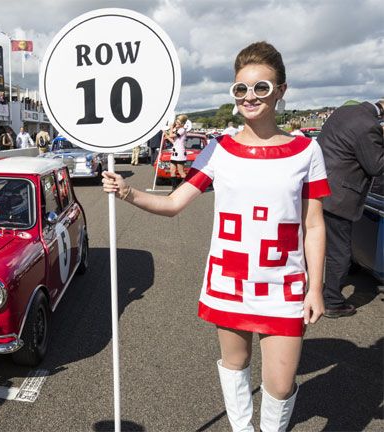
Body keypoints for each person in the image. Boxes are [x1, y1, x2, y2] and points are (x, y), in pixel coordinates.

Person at [102, 41, 329, 432]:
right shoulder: (218, 149)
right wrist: (127, 192)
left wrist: (316, 288)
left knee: (279, 384)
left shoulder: (306, 151)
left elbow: (313, 225)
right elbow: (174, 203)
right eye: (240, 89)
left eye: (261, 88)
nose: (249, 97)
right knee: (236, 365)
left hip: (285, 286)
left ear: (281, 90)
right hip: (231, 280)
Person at [317, 99, 384, 318]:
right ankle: (332, 302)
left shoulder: (343, 112)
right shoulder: (368, 125)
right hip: (341, 195)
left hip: (321, 187)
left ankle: (310, 291)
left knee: (315, 244)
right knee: (339, 251)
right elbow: (376, 165)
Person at [168, 114, 189, 188]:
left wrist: (171, 128)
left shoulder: (182, 130)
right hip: (174, 153)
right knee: (172, 171)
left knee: (181, 172)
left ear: (182, 124)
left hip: (180, 154)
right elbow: (174, 142)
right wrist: (165, 134)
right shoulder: (179, 130)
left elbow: (171, 135)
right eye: (176, 122)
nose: (176, 124)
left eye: (178, 123)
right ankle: (174, 188)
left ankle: (186, 188)